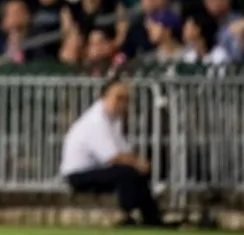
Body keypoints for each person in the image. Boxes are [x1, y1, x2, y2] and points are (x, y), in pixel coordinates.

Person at [60, 77, 165, 226]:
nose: (123, 104)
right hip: (78, 174)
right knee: (126, 173)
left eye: (126, 100)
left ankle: (151, 217)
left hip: (95, 169)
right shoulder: (96, 121)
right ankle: (128, 214)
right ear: (104, 97)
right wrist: (137, 162)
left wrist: (138, 163)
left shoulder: (112, 120)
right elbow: (112, 157)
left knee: (135, 173)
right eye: (119, 98)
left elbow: (123, 151)